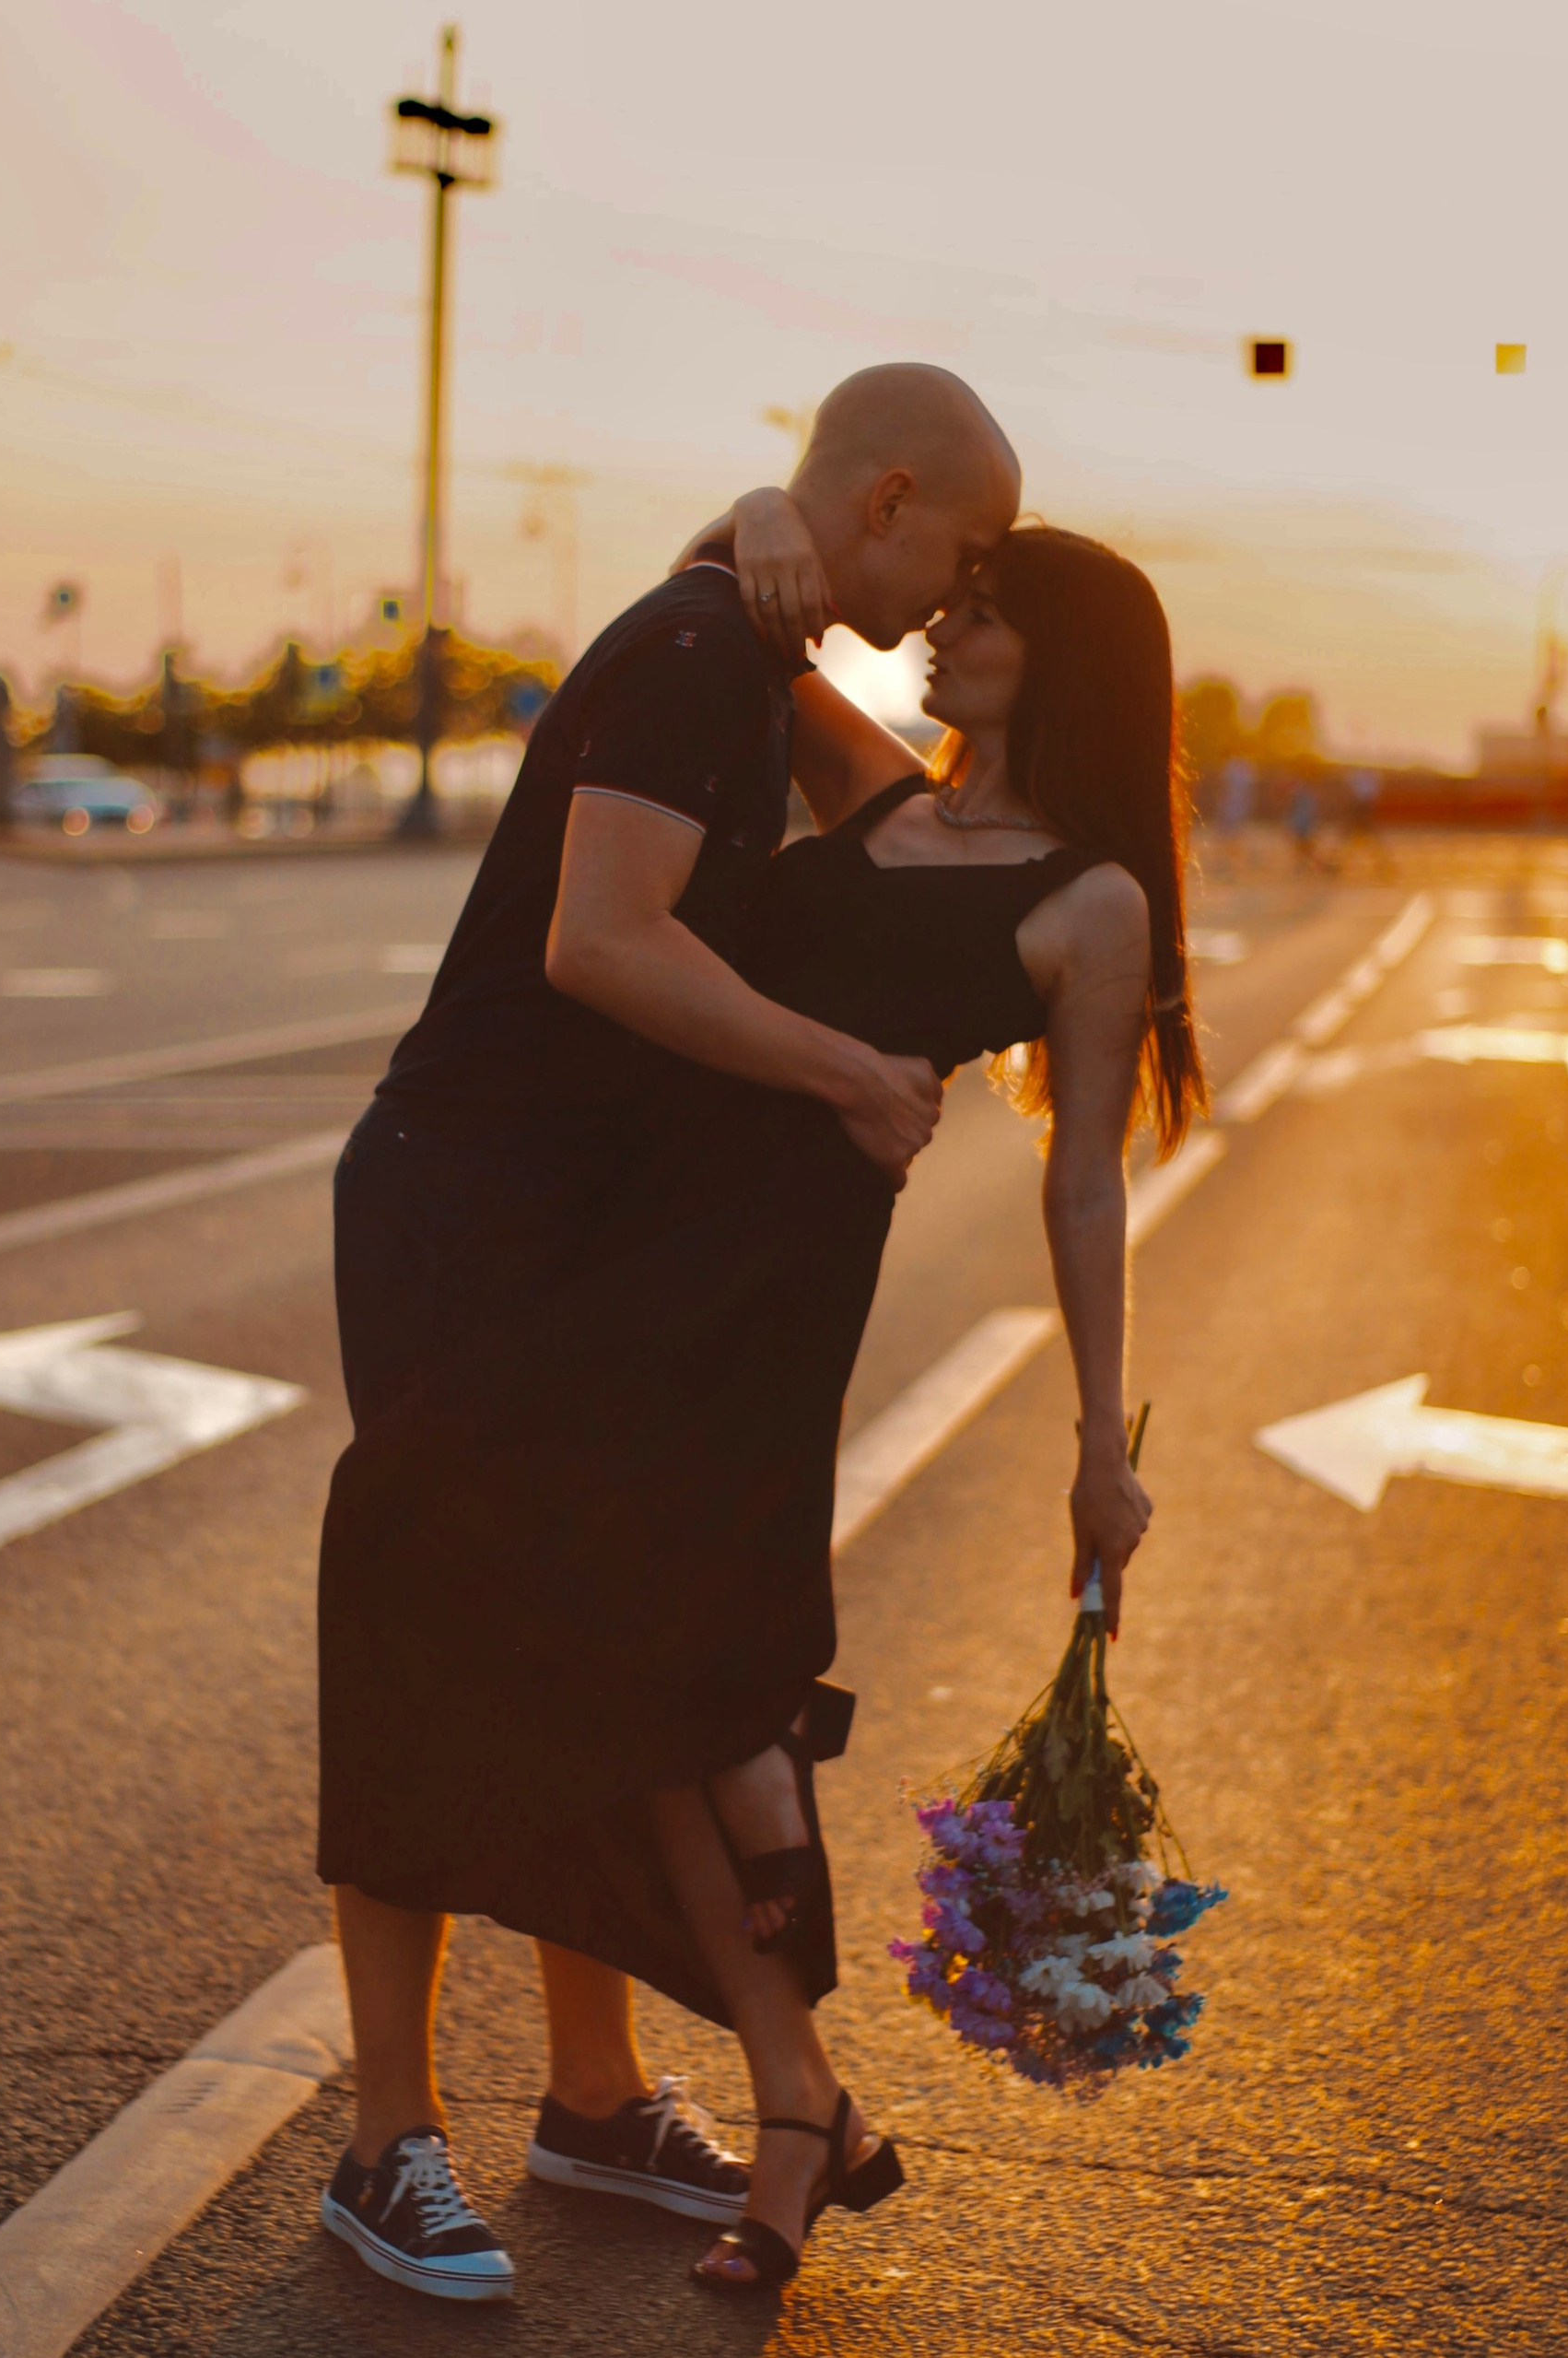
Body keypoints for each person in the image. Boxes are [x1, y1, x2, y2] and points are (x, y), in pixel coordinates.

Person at [319, 493, 1207, 2294]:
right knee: (623, 1673)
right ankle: (781, 2093)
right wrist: (747, 522)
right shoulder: (880, 785)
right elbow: (738, 613)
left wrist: (1096, 1445)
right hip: (602, 1249)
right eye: (945, 596)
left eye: (984, 612)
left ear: (1065, 658)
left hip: (760, 1306)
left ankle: (779, 2092)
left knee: (708, 1693)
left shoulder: (1090, 900)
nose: (939, 631)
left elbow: (1084, 1177)